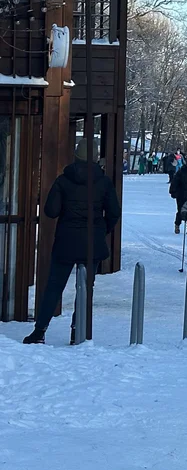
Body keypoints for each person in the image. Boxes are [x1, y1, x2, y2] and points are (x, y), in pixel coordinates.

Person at [23, 143, 120, 344]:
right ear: (95, 158)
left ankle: (40, 331)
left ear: (76, 156)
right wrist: (102, 230)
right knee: (85, 288)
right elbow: (114, 212)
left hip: (66, 241)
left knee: (54, 287)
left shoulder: (63, 180)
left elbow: (51, 211)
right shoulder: (104, 182)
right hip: (92, 243)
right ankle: (78, 331)